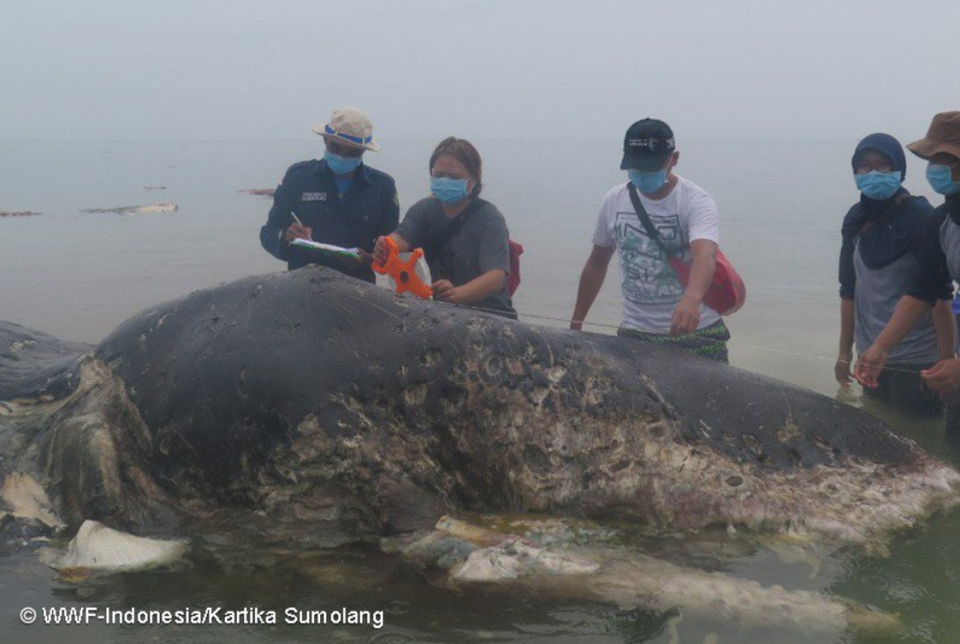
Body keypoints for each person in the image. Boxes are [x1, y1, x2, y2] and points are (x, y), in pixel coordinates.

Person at [570, 118, 728, 362]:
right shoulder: (614, 200)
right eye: (636, 168)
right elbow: (597, 262)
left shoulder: (695, 201)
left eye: (651, 168)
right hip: (635, 332)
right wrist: (577, 321)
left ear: (673, 159)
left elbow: (705, 255)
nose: (643, 175)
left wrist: (692, 299)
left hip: (697, 330)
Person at [854, 112, 960, 427]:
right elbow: (925, 289)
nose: (936, 168)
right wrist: (881, 347)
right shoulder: (941, 220)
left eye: (946, 159)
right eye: (933, 158)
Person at [835, 133, 950, 413]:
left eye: (884, 165)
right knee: (876, 436)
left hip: (917, 359)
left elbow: (937, 295)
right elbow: (849, 290)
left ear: (899, 169)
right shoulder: (854, 219)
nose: (873, 172)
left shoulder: (921, 217)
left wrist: (946, 361)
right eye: (865, 165)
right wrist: (843, 353)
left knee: (923, 443)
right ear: (855, 171)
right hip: (869, 356)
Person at [373, 137, 516, 318]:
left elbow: (496, 277)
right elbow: (401, 237)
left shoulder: (490, 218)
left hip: (489, 315)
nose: (445, 181)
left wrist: (456, 294)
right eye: (439, 175)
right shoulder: (424, 209)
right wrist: (385, 246)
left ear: (473, 179)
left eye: (454, 177)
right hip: (438, 312)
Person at [260, 108, 399, 283]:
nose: (342, 157)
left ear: (364, 151)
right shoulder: (298, 177)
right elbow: (268, 233)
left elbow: (394, 250)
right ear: (325, 140)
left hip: (359, 293)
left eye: (353, 152)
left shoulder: (383, 187)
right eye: (335, 148)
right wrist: (286, 237)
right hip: (301, 288)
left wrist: (370, 259)